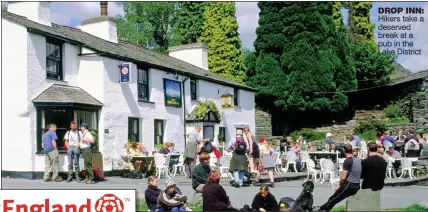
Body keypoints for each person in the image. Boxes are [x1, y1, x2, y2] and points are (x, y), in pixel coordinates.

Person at [319, 144, 361, 211]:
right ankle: (321, 208)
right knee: (334, 199)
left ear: (344, 151)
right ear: (352, 150)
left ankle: (320, 210)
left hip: (350, 185)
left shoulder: (348, 161)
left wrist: (340, 185)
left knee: (332, 199)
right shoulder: (357, 160)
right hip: (357, 185)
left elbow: (343, 177)